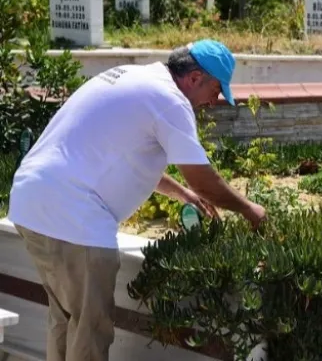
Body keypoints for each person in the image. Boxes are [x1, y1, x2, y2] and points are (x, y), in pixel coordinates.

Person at [7, 39, 268, 361]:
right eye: (215, 90)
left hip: (33, 203)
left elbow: (123, 154)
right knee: (90, 328)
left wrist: (182, 194)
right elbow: (202, 178)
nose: (213, 102)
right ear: (195, 78)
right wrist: (249, 209)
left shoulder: (131, 76)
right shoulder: (171, 101)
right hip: (74, 218)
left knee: (66, 318)